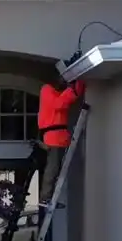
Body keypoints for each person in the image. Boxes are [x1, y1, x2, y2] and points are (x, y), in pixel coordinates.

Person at [31, 75, 86, 211]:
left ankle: (48, 197)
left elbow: (73, 96)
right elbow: (60, 104)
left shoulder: (60, 94)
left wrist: (78, 83)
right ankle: (45, 197)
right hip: (53, 137)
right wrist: (70, 88)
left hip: (59, 138)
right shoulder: (47, 90)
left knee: (56, 170)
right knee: (53, 168)